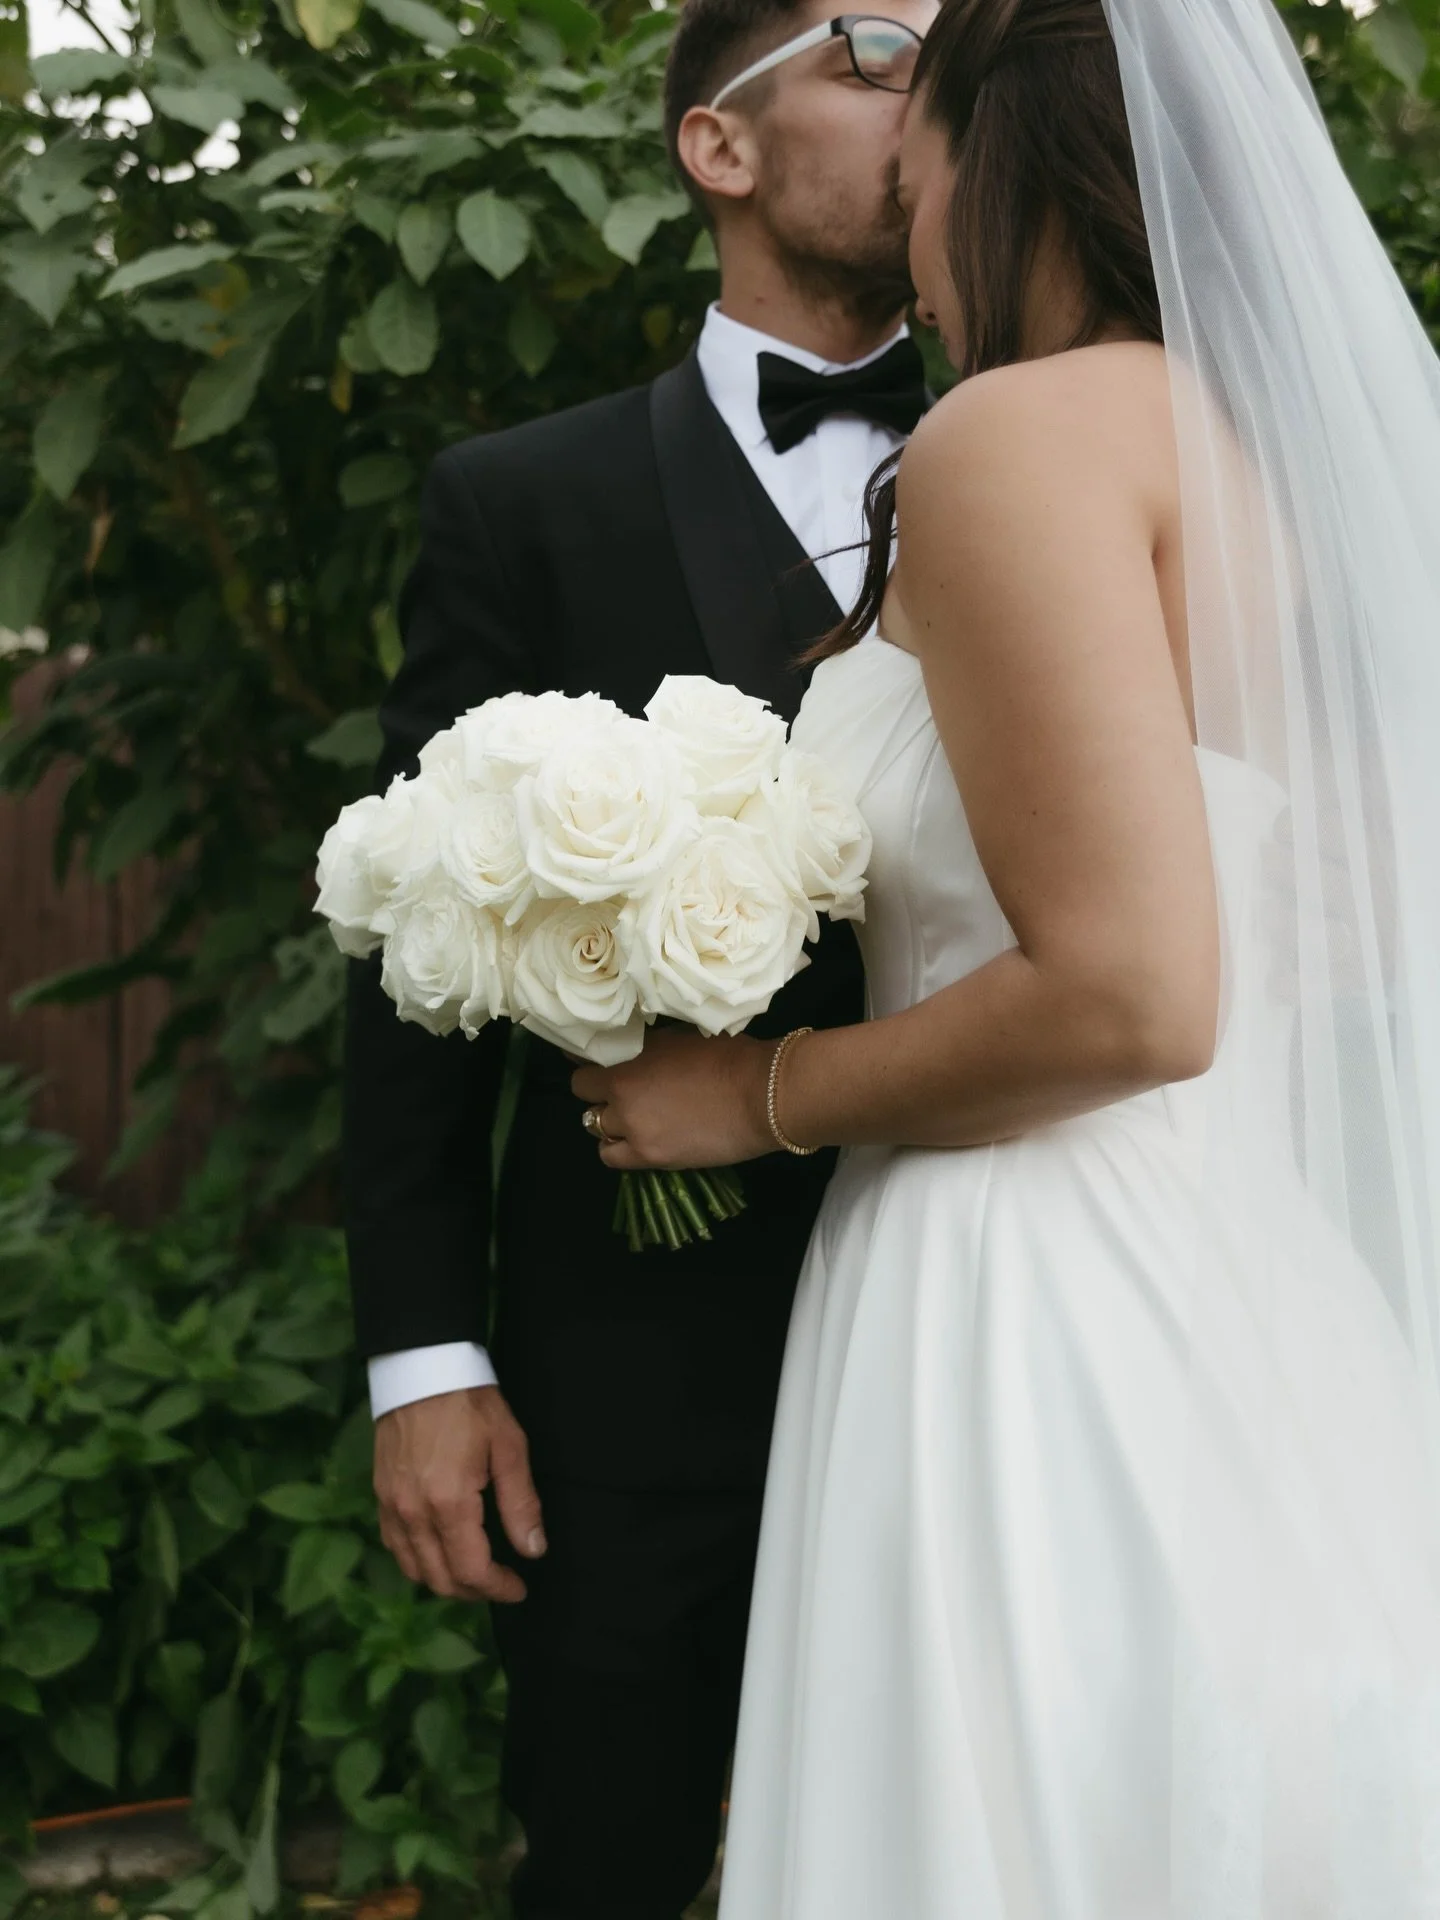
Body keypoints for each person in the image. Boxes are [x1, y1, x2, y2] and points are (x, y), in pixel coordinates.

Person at [568, 0, 1440, 1908]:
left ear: (1002, 160)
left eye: (927, 157)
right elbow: (1321, 909)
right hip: (1254, 1281)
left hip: (1035, 1300)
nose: (915, 211)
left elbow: (1133, 993)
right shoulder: (1271, 461)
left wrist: (757, 1094)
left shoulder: (1021, 439)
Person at [341, 0, 935, 1912]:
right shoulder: (518, 502)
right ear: (721, 147)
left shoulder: (1075, 456)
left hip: (976, 1310)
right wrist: (426, 1360)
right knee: (605, 1859)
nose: (941, 84)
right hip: (637, 1365)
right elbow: (412, 963)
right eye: (876, 47)